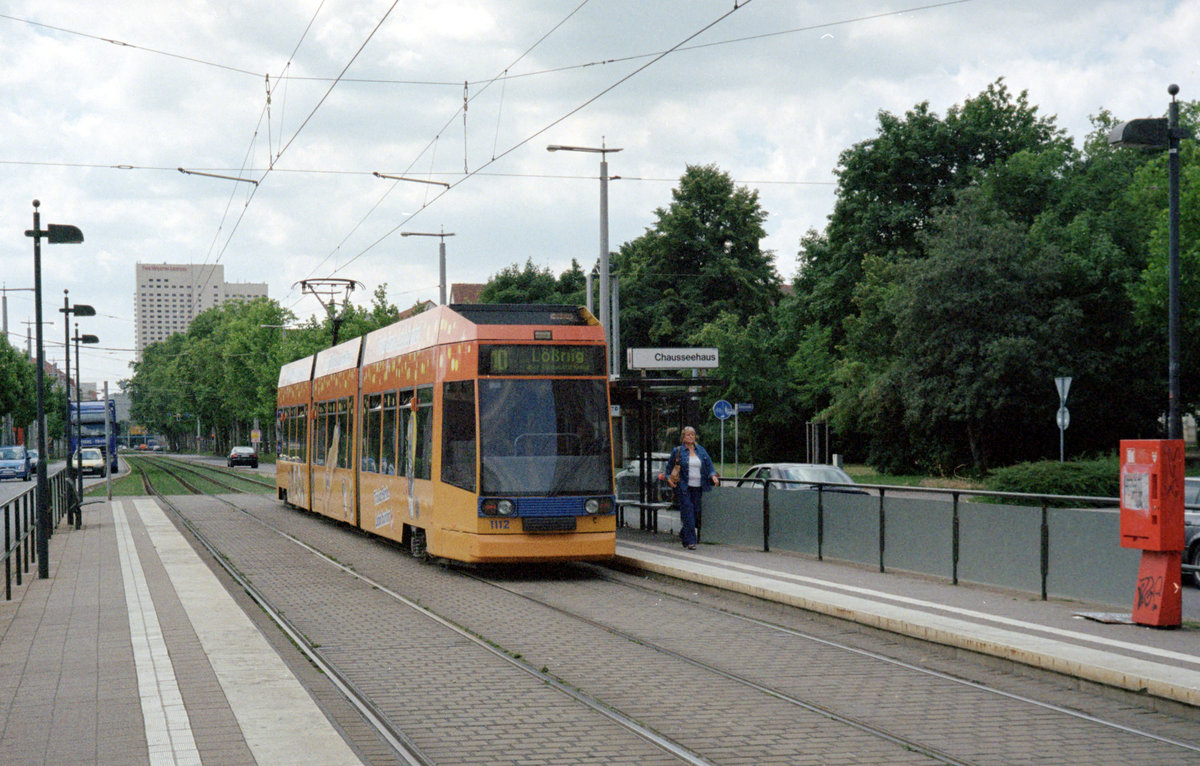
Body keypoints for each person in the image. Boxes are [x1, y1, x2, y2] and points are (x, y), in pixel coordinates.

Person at [659, 426, 720, 549]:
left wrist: (713, 475)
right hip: (683, 487)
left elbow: (709, 465)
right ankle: (692, 542)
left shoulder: (701, 450)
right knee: (688, 514)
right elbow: (668, 469)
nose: (691, 437)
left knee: (696, 513)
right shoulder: (678, 451)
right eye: (688, 435)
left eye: (692, 434)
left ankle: (684, 534)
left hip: (698, 487)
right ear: (683, 437)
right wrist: (669, 480)